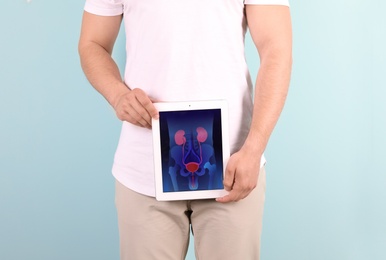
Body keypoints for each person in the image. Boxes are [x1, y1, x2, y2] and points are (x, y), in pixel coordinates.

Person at [78, 0, 292, 259]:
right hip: (144, 167)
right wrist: (117, 95)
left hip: (233, 165)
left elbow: (276, 49)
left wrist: (254, 149)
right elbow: (92, 43)